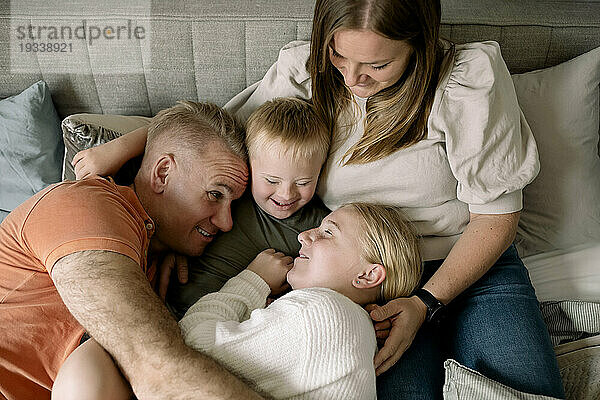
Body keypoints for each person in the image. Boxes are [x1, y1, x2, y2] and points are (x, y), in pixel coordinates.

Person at [68, 1, 565, 398]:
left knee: (517, 390)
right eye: (340, 56)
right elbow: (217, 130)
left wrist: (424, 303)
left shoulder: (467, 79)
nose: (353, 79)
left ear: (418, 46)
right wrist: (133, 153)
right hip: (367, 279)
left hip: (472, 264)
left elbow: (497, 216)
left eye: (377, 64)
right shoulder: (305, 73)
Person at [0, 101, 266, 400]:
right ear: (163, 173)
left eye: (232, 205)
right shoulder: (85, 207)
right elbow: (158, 371)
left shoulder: (147, 252)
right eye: (215, 194)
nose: (227, 222)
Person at [54, 202, 423, 400]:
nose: (304, 237)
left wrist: (252, 281)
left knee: (99, 351)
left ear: (368, 276)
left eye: (328, 233)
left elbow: (185, 350)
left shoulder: (323, 313)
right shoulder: (346, 326)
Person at [70, 97, 332, 320]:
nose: (286, 194)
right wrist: (117, 149)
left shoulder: (312, 223)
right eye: (272, 181)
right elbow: (181, 132)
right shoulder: (236, 187)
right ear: (252, 167)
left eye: (303, 182)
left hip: (217, 323)